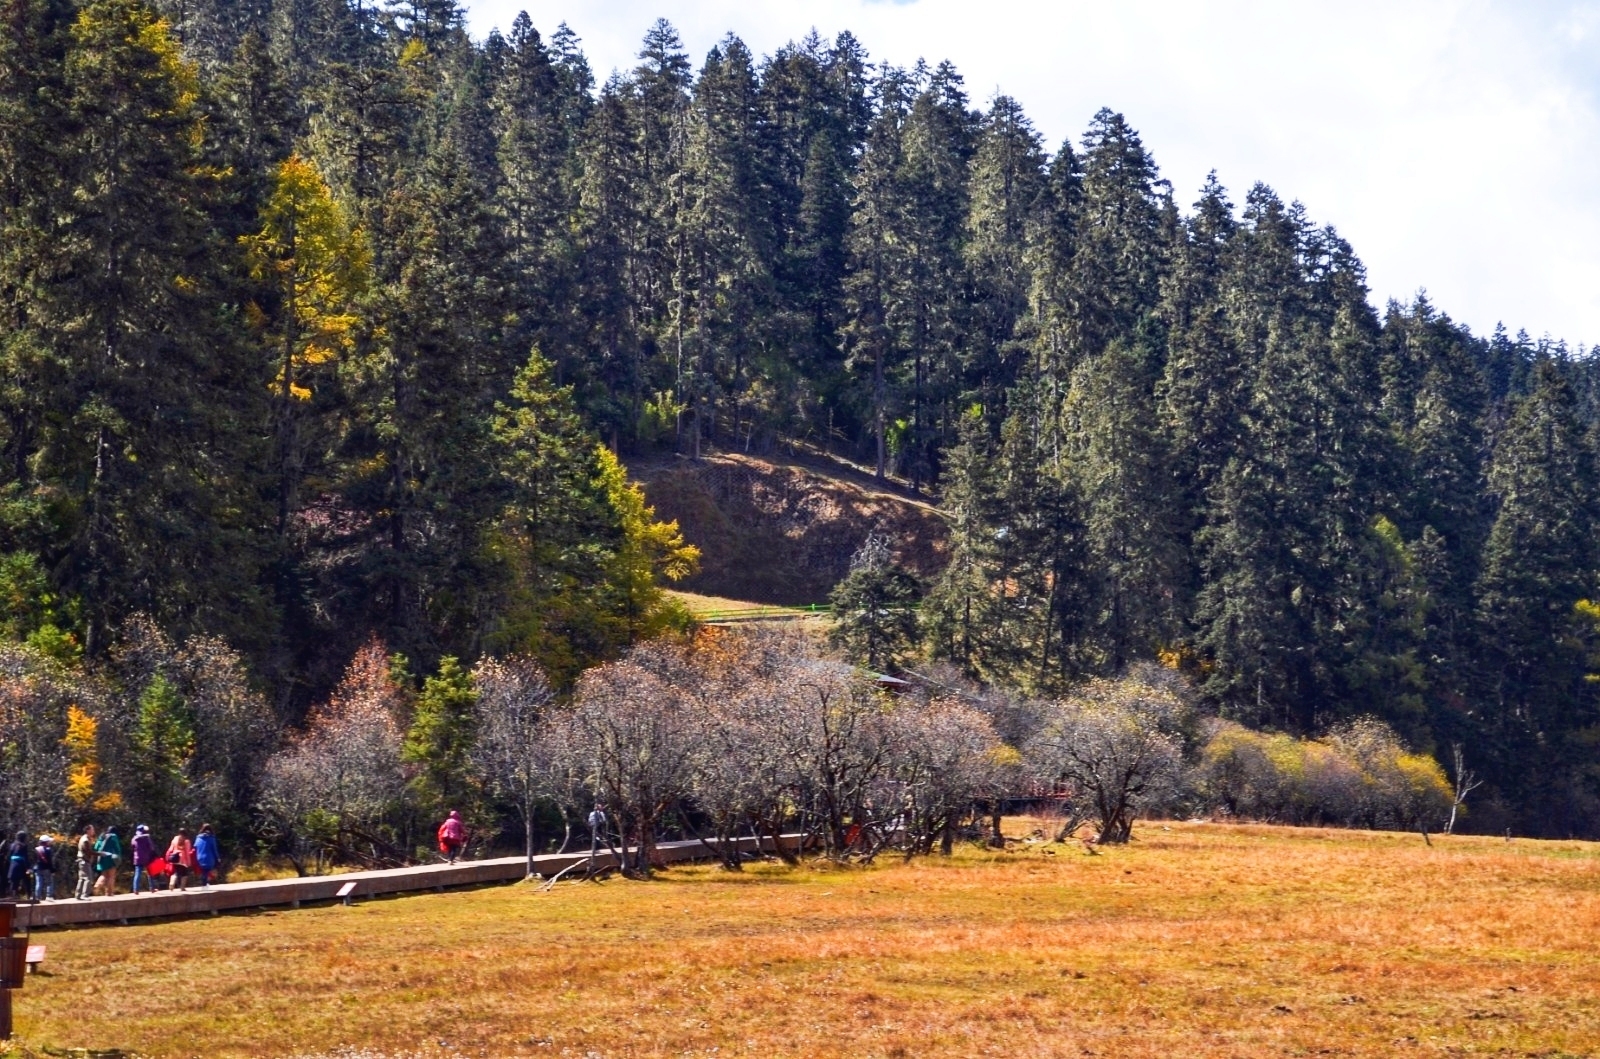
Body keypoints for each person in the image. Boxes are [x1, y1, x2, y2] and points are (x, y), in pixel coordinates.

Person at [93, 824, 122, 896]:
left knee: (104, 875)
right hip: (111, 858)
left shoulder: (101, 837)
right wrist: (118, 856)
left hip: (102, 858)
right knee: (111, 876)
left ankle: (97, 886)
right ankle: (109, 892)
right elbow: (117, 848)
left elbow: (96, 847)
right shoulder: (114, 837)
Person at [130, 824, 157, 894]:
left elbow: (132, 847)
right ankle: (152, 888)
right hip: (147, 858)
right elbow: (152, 848)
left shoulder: (134, 838)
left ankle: (136, 889)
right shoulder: (147, 838)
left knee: (137, 873)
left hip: (137, 858)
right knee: (150, 873)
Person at [4, 830, 30, 900]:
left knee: (14, 880)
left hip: (13, 864)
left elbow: (9, 856)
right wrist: (28, 867)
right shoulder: (24, 846)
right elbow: (25, 857)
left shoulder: (12, 845)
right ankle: (28, 895)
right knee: (26, 879)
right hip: (21, 864)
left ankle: (13, 895)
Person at [75, 824, 97, 900]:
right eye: (92, 829)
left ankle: (78, 895)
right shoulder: (85, 840)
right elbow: (88, 852)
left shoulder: (85, 838)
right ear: (88, 830)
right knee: (88, 878)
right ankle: (85, 895)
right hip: (84, 861)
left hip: (81, 860)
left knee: (81, 878)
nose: (93, 831)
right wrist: (100, 854)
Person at [32, 834, 56, 902]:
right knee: (49, 882)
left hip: (38, 868)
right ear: (46, 842)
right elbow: (49, 861)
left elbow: (34, 860)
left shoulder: (36, 849)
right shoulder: (48, 849)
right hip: (46, 868)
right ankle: (49, 896)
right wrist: (52, 870)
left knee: (39, 883)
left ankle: (37, 897)